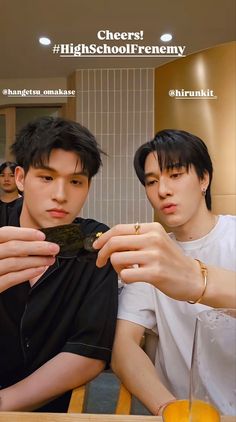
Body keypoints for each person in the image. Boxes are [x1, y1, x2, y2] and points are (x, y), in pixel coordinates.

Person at [94, 129, 236, 415]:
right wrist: (169, 408)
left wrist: (197, 280)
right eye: (151, 181)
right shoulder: (152, 253)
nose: (162, 190)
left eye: (175, 174)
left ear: (204, 178)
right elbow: (124, 348)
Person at [0, 116, 118, 412]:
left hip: (53, 411)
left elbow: (90, 351)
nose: (61, 195)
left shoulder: (95, 243)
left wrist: (5, 403)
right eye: (47, 177)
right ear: (20, 178)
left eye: (76, 181)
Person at [0, 161, 21, 226]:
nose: (6, 179)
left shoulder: (25, 205)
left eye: (11, 176)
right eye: (2, 175)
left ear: (19, 178)